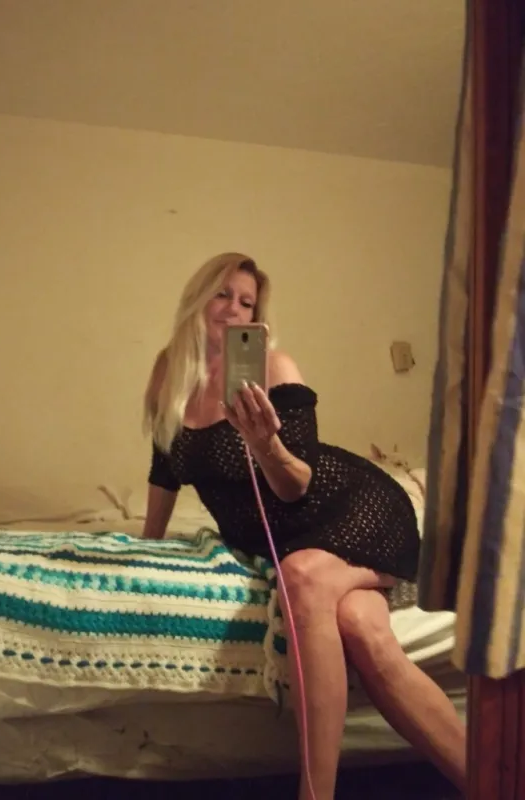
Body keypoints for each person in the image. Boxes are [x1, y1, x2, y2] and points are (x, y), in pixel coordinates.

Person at [142, 252, 466, 800]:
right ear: (197, 299)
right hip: (292, 538)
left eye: (247, 303)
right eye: (223, 294)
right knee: (361, 626)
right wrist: (147, 543)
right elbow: (164, 466)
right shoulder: (169, 373)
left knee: (303, 576)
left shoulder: (274, 368)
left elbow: (297, 485)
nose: (234, 309)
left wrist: (264, 445)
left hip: (353, 511)